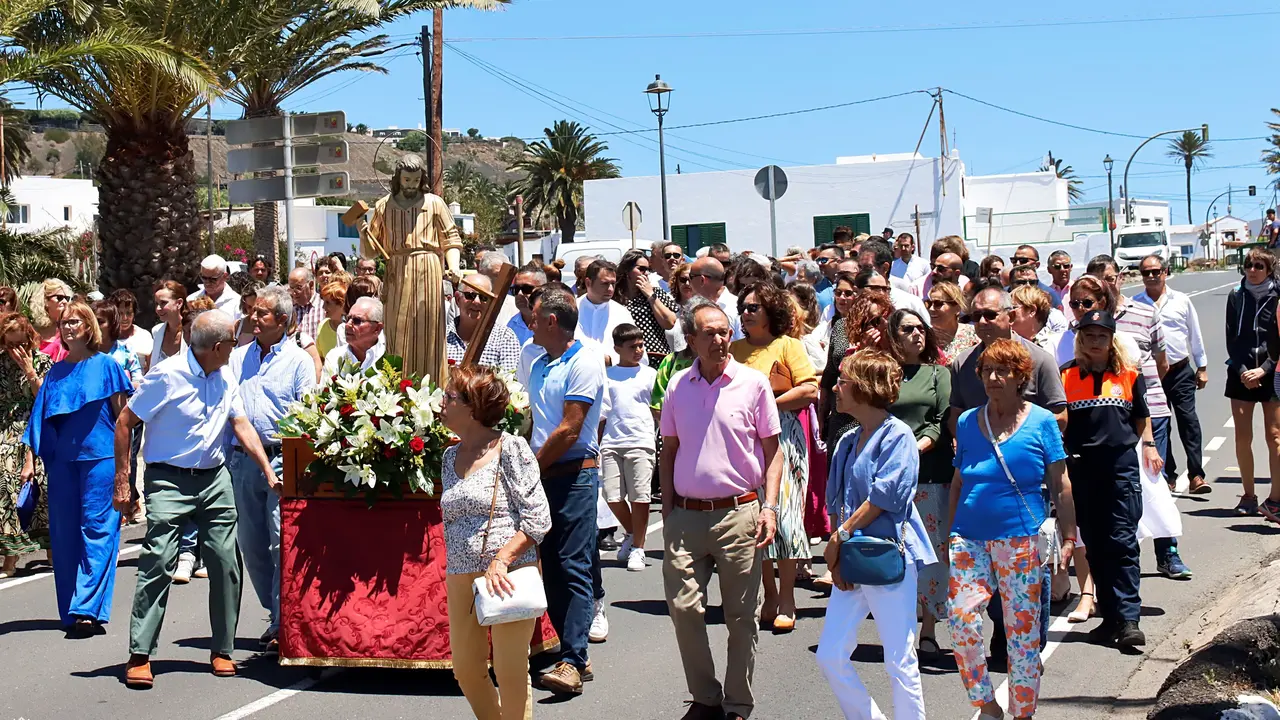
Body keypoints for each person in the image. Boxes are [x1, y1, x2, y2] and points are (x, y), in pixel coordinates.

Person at [116, 310, 280, 689]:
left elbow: (240, 423)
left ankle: (222, 649)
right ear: (219, 346)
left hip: (214, 479)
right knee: (158, 559)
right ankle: (140, 654)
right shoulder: (166, 374)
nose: (237, 346)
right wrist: (122, 481)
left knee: (225, 562)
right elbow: (125, 421)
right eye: (233, 341)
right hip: (169, 479)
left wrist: (268, 471)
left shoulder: (225, 375)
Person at [660, 297, 781, 720]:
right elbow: (669, 452)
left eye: (724, 331)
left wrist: (770, 507)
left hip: (740, 512)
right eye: (709, 333)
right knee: (684, 609)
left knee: (741, 616)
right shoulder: (677, 386)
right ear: (690, 339)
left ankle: (736, 703)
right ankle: (705, 697)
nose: (719, 339)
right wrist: (669, 512)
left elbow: (773, 452)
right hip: (687, 517)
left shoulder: (753, 383)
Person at [948, 338, 1076, 720]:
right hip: (968, 538)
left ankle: (1023, 712)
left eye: (1002, 370)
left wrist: (1069, 538)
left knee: (1022, 639)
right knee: (962, 623)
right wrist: (949, 534)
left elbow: (1061, 483)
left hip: (1021, 540)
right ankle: (988, 705)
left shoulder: (1041, 422)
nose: (992, 377)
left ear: (1021, 377)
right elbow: (958, 482)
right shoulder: (969, 422)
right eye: (987, 370)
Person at [817, 348, 936, 720]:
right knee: (831, 654)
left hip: (889, 557)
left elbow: (885, 498)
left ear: (865, 388)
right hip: (852, 559)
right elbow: (836, 500)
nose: (835, 388)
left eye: (843, 381)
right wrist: (837, 557)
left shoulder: (898, 436)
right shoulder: (848, 440)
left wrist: (842, 536)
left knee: (899, 658)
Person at [439, 365, 551, 720]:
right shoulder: (447, 457)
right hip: (460, 575)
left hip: (507, 574)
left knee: (510, 669)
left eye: (449, 397)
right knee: (467, 670)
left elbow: (538, 517)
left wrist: (502, 558)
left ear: (472, 408)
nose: (441, 402)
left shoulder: (511, 448)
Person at [22, 301, 133, 635]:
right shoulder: (54, 373)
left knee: (97, 530)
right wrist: (30, 463)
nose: (69, 327)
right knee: (65, 534)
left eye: (76, 322)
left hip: (101, 460)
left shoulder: (108, 366)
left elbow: (125, 419)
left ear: (89, 327)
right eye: (65, 323)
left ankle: (87, 607)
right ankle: (71, 609)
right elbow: (39, 421)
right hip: (61, 465)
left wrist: (124, 472)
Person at [1061, 310, 1161, 648]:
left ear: (1111, 338)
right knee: (1096, 547)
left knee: (1122, 543)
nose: (1094, 341)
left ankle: (1129, 619)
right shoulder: (1066, 375)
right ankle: (1110, 620)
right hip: (1082, 470)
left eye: (1101, 335)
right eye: (1088, 334)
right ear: (1080, 338)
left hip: (1120, 469)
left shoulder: (1129, 375)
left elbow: (1141, 416)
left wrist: (1148, 447)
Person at [526, 283, 607, 695]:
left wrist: (531, 468)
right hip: (546, 474)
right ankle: (570, 651)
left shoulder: (585, 362)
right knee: (552, 565)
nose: (530, 323)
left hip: (574, 474)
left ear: (552, 321)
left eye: (535, 317)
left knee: (573, 564)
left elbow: (570, 426)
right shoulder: (539, 362)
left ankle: (573, 660)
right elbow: (534, 421)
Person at [1091, 255, 1190, 580]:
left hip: (1152, 412)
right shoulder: (1090, 322)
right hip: (1111, 417)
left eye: (1108, 277)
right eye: (1097, 279)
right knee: (1122, 490)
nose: (1105, 284)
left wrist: (1143, 396)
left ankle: (1168, 553)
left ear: (1119, 278)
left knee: (1154, 481)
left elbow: (1162, 363)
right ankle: (1123, 559)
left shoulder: (1146, 312)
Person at [228, 286, 315, 652]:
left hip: (283, 459)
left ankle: (282, 622)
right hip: (243, 460)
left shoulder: (299, 362)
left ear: (282, 320)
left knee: (282, 540)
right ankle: (273, 610)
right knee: (251, 545)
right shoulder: (237, 358)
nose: (254, 318)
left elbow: (309, 413)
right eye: (253, 312)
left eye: (262, 313)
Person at [731, 282, 818, 633]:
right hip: (744, 438)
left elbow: (809, 389)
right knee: (755, 518)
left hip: (785, 437)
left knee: (783, 517)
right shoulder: (734, 349)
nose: (747, 313)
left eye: (754, 307)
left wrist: (766, 402)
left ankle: (786, 597)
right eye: (744, 307)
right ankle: (767, 594)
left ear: (771, 312)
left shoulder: (788, 345)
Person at [885, 309, 952, 657]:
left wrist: (915, 446)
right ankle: (900, 625)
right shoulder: (885, 373)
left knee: (930, 552)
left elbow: (940, 420)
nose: (917, 334)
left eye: (920, 329)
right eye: (908, 329)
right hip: (889, 473)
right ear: (894, 336)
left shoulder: (938, 373)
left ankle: (928, 626)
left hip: (930, 473)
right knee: (895, 550)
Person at [1134, 255, 1210, 494]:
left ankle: (1197, 475)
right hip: (1151, 375)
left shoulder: (1181, 300)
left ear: (1165, 272)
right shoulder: (1136, 303)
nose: (1151, 276)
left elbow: (1194, 334)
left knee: (1189, 422)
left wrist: (1203, 366)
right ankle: (1167, 475)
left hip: (1179, 371)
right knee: (1159, 424)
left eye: (1156, 271)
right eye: (1146, 272)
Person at [1224, 248, 1280, 520]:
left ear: (1269, 269)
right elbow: (1231, 339)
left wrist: (1265, 369)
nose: (1253, 270)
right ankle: (1248, 495)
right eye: (1248, 265)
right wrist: (1245, 369)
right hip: (1241, 373)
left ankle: (1276, 499)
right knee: (1242, 437)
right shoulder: (1236, 296)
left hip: (1272, 371)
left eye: (1259, 266)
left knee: (1275, 436)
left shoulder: (1278, 295)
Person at [600, 324, 657, 572]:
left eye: (640, 345)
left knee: (640, 497)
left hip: (641, 441)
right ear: (617, 349)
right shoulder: (608, 375)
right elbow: (602, 413)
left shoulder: (650, 374)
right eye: (632, 347)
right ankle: (633, 534)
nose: (638, 350)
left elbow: (658, 409)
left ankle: (638, 549)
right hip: (612, 442)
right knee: (611, 495)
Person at [0, 313, 52, 576]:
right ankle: (10, 557)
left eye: (20, 344)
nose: (15, 351)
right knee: (4, 485)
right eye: (10, 345)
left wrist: (29, 372)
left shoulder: (42, 362)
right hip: (5, 430)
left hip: (34, 426)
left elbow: (45, 399)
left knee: (41, 489)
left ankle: (52, 549)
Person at [446, 275, 521, 374]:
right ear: (458, 299)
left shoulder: (505, 338)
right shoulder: (441, 337)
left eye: (483, 297)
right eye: (470, 295)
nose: (476, 302)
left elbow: (509, 383)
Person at [616, 249, 680, 357]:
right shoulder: (616, 296)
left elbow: (670, 322)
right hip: (625, 356)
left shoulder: (655, 292)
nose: (646, 273)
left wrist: (650, 295)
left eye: (648, 270)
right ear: (627, 270)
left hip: (656, 354)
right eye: (641, 269)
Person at [575, 259, 637, 366]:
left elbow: (636, 351)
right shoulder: (571, 309)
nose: (610, 289)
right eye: (605, 284)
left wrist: (611, 360)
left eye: (613, 283)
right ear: (588, 283)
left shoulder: (621, 312)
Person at [857, 239, 930, 320]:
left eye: (867, 267)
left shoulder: (910, 303)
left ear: (885, 268)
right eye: (859, 267)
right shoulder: (851, 299)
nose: (861, 272)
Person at [322, 297, 386, 376]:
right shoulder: (334, 358)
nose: (348, 324)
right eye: (347, 318)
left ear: (377, 328)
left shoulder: (386, 359)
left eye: (357, 321)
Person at [689, 257, 744, 341]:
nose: (688, 281)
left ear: (702, 280)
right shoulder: (693, 306)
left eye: (691, 276)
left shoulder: (737, 308)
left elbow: (744, 345)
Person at [93, 302, 144, 387]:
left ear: (112, 324)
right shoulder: (85, 351)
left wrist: (118, 387)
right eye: (92, 322)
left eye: (100, 322)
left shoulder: (126, 351)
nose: (95, 326)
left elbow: (139, 383)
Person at [927, 281, 978, 363]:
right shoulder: (924, 336)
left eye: (938, 303)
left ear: (957, 308)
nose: (931, 309)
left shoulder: (973, 334)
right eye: (928, 304)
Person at [109, 290, 153, 373]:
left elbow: (151, 368)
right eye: (120, 313)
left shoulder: (144, 336)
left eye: (128, 313)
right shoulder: (106, 336)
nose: (124, 318)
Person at [150, 280, 189, 369]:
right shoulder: (157, 332)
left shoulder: (192, 333)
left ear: (179, 303)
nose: (158, 308)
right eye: (156, 304)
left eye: (163, 303)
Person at [1010, 285, 1062, 349]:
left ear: (1032, 310)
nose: (1007, 312)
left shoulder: (1056, 346)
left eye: (1012, 307)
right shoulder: (1004, 345)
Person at [32, 279, 72, 362]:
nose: (64, 302)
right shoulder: (32, 332)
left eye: (67, 298)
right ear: (45, 300)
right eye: (59, 297)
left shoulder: (69, 330)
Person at [507, 263, 547, 346]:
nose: (520, 294)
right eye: (516, 289)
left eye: (526, 289)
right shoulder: (510, 325)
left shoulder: (553, 324)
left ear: (543, 289)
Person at [286, 267, 324, 342]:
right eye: (291, 288)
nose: (294, 293)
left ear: (311, 285)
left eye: (298, 288)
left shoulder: (324, 306)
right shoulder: (290, 310)